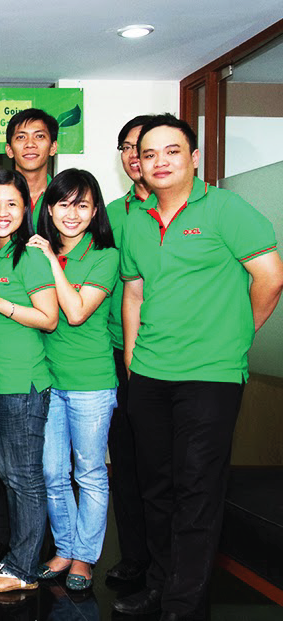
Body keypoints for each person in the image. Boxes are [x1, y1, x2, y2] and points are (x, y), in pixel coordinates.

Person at [113, 114, 283, 620]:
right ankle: (160, 586)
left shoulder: (227, 209)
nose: (159, 162)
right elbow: (134, 293)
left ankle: (183, 604)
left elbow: (270, 278)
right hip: (149, 375)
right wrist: (132, 359)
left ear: (193, 157)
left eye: (172, 151)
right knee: (157, 489)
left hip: (210, 376)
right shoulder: (137, 221)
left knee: (197, 489)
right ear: (138, 164)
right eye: (149, 154)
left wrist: (236, 336)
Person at [28, 169, 119, 591]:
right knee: (52, 472)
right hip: (48, 378)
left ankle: (84, 557)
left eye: (82, 205)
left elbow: (77, 311)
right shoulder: (33, 253)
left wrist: (51, 260)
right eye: (63, 204)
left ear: (95, 210)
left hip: (91, 382)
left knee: (90, 473)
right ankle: (64, 549)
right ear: (49, 208)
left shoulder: (104, 256)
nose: (71, 213)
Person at [0, 169, 59, 593]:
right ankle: (14, 558)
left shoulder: (30, 257)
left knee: (24, 478)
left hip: (24, 384)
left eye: (12, 204)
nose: (2, 212)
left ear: (26, 209)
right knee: (8, 476)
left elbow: (49, 318)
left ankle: (24, 569)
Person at [104, 114, 155, 584]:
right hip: (119, 354)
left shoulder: (179, 209)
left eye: (142, 146)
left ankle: (167, 565)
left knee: (164, 466)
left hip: (167, 359)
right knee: (124, 460)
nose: (134, 155)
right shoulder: (111, 214)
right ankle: (135, 557)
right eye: (127, 147)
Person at [5, 108, 58, 228]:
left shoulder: (63, 197)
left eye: (39, 136)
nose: (30, 144)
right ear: (9, 150)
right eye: (21, 137)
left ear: (53, 148)